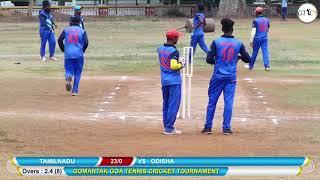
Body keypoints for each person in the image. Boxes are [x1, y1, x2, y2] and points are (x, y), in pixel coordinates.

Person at [201, 18, 251, 135]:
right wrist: (237, 58)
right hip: (231, 77)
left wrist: (217, 61)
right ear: (232, 30)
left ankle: (208, 127)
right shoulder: (238, 43)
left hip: (217, 76)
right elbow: (247, 59)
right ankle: (226, 128)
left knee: (212, 102)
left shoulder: (216, 42)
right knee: (228, 102)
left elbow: (209, 59)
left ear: (222, 29)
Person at [157, 29, 186, 135]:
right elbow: (173, 66)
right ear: (173, 38)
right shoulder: (174, 51)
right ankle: (169, 128)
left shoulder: (160, 49)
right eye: (177, 37)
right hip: (174, 81)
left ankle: (166, 126)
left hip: (164, 80)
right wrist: (182, 64)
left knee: (166, 104)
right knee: (173, 104)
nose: (178, 39)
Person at [58, 16, 89, 96]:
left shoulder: (66, 30)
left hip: (68, 54)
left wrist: (63, 49)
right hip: (79, 54)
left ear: (71, 22)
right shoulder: (82, 31)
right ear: (79, 23)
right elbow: (86, 42)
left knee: (68, 70)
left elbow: (60, 39)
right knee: (78, 73)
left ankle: (68, 77)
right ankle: (75, 91)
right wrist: (83, 50)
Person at [249, 7, 271, 71]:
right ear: (261, 12)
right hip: (264, 38)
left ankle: (250, 66)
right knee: (265, 52)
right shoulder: (267, 20)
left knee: (255, 52)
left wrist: (251, 41)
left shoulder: (255, 20)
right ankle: (267, 66)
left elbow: (253, 31)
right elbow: (267, 28)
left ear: (256, 13)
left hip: (257, 39)